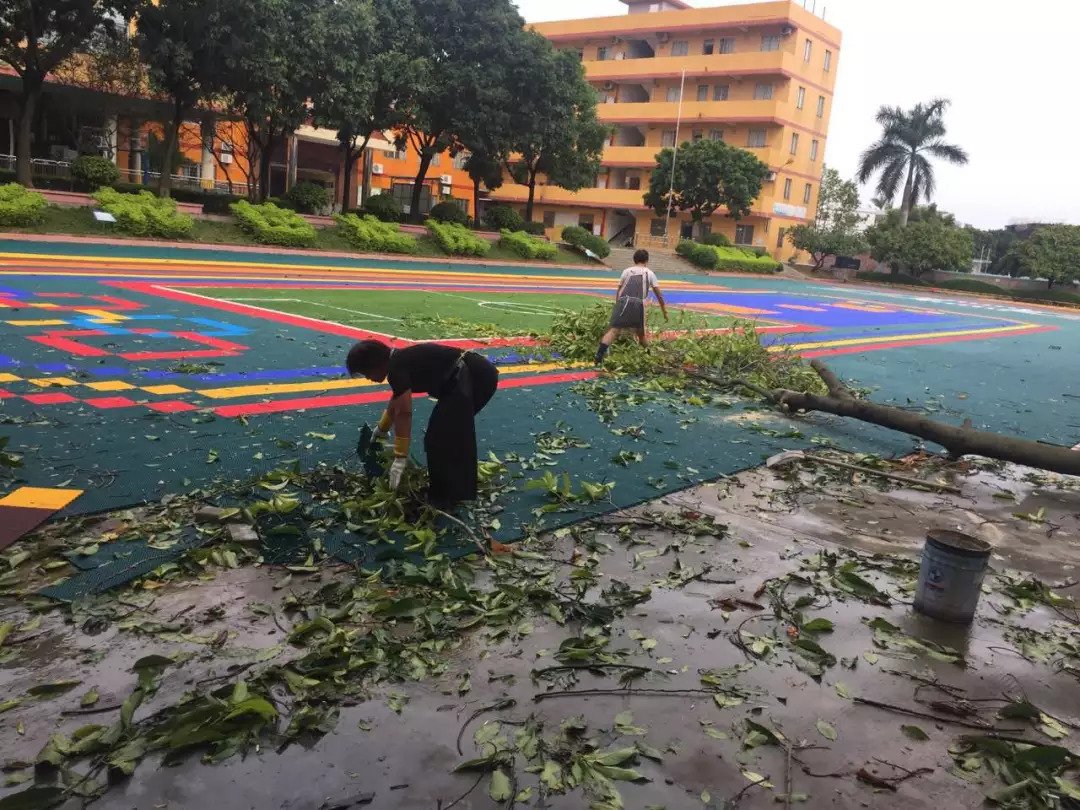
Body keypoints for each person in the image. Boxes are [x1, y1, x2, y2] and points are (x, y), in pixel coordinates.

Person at [346, 340, 499, 507]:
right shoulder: (398, 361)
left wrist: (400, 457)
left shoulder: (397, 367)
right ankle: (448, 491)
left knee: (442, 437)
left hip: (474, 377)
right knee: (445, 434)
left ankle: (446, 497)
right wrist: (381, 429)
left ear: (376, 364)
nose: (369, 379)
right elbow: (397, 401)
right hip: (468, 376)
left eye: (367, 373)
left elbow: (404, 413)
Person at [595, 248, 669, 365]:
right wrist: (664, 311)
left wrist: (618, 305)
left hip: (622, 302)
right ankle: (650, 355)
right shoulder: (649, 273)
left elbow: (619, 290)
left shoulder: (626, 271)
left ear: (634, 259)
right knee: (641, 335)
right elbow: (659, 295)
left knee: (613, 330)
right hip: (637, 304)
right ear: (647, 260)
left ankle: (599, 355)